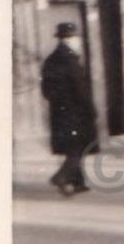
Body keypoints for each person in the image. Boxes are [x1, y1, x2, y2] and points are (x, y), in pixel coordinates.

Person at [41, 22, 100, 196]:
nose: (78, 41)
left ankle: (77, 182)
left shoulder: (51, 59)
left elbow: (46, 88)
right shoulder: (70, 60)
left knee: (72, 146)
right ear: (69, 39)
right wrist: (90, 109)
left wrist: (57, 102)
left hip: (60, 111)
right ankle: (61, 176)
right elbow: (80, 89)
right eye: (75, 38)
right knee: (78, 146)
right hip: (76, 111)